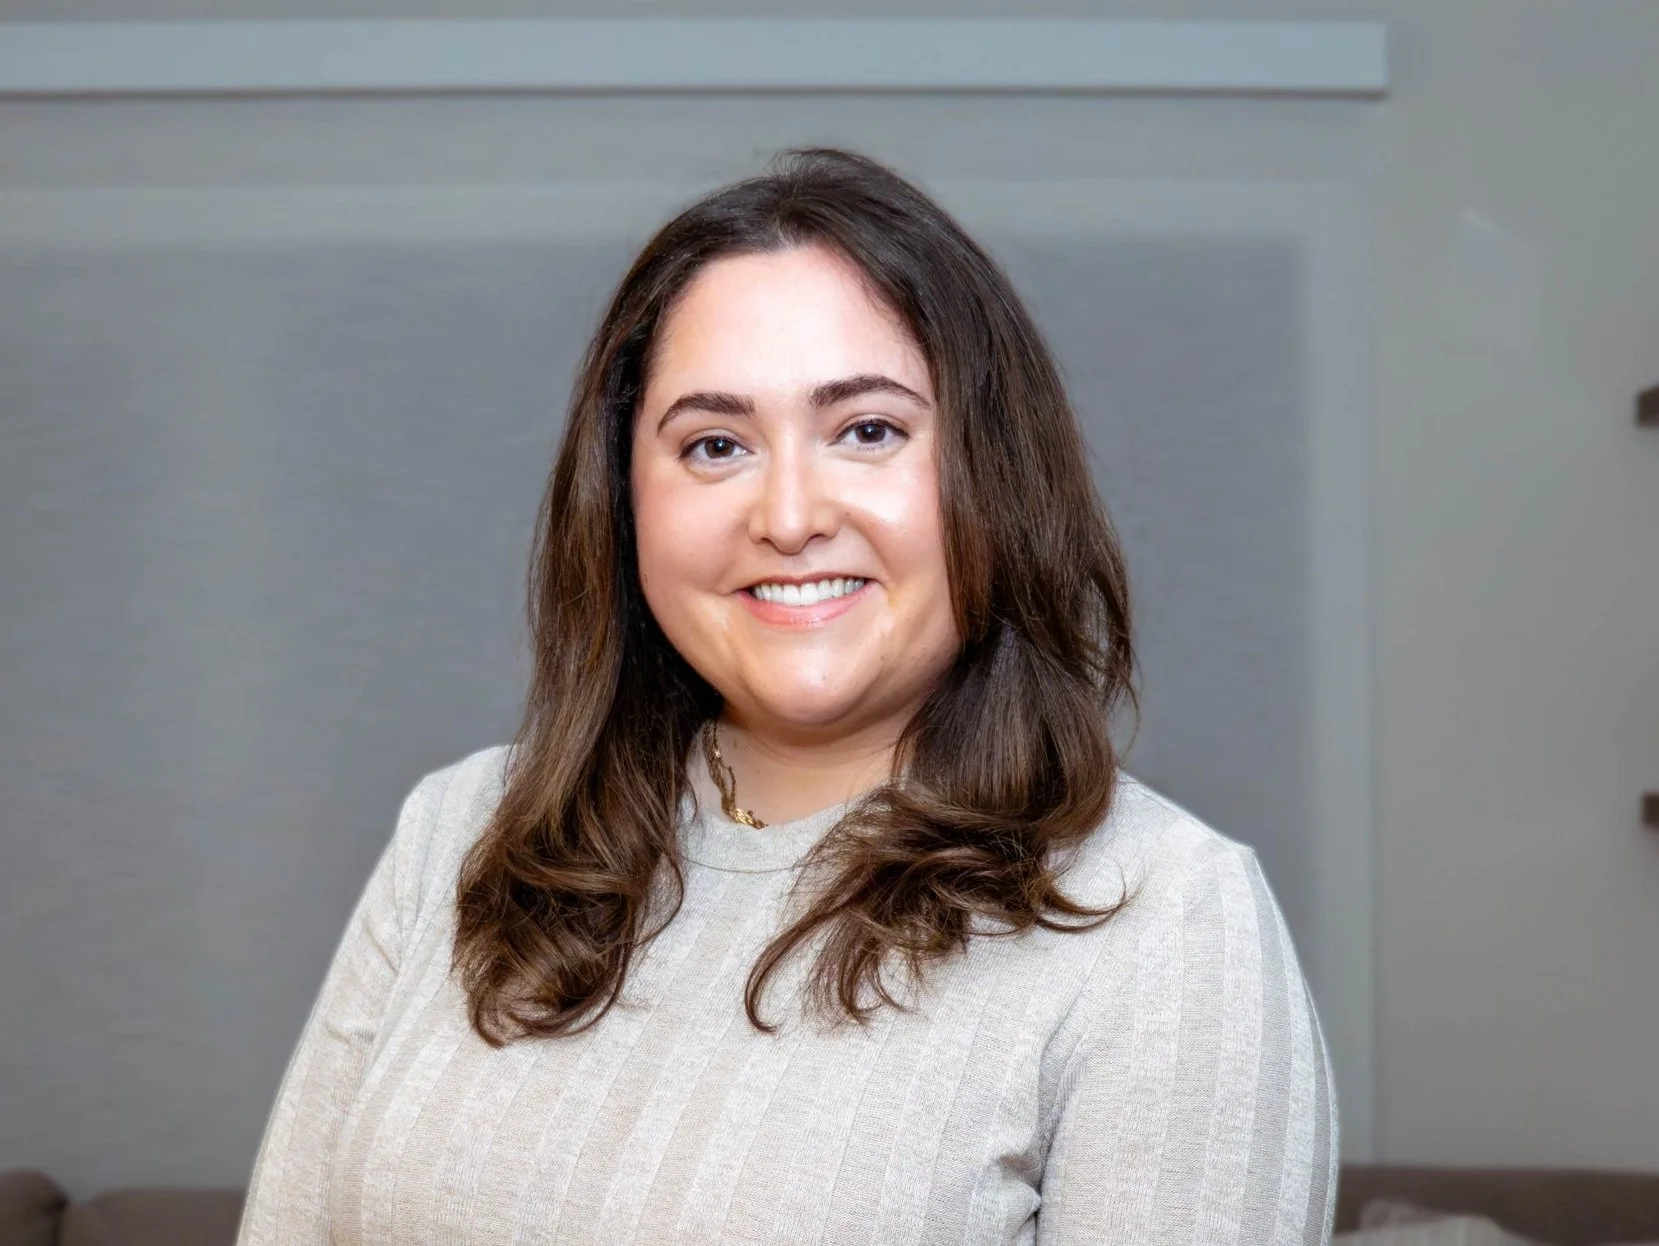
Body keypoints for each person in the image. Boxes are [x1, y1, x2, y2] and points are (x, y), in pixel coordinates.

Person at [235, 147, 1338, 1245]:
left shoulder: (1166, 920)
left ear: (993, 474)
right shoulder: (460, 834)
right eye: (715, 445)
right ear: (627, 504)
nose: (790, 513)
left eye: (868, 430)